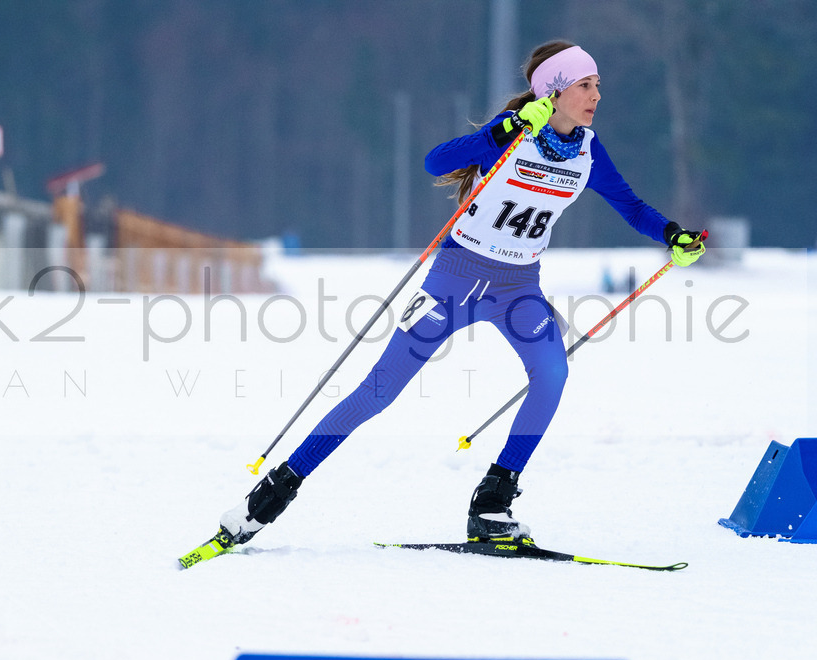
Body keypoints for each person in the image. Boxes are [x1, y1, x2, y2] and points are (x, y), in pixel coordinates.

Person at [215, 40, 705, 548]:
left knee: (552, 374)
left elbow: (631, 206)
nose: (597, 95)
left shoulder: (587, 150)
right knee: (379, 390)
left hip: (518, 287)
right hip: (455, 278)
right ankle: (272, 494)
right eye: (585, 85)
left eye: (598, 85)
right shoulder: (513, 134)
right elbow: (436, 161)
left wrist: (673, 234)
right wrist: (505, 130)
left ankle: (492, 501)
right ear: (553, 92)